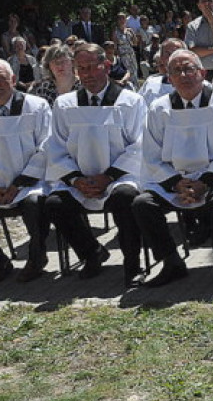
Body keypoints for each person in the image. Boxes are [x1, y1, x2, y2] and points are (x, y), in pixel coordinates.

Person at [132, 49, 213, 288]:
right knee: (142, 204)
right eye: (176, 70)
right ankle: (171, 262)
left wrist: (203, 182)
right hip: (174, 181)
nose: (183, 75)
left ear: (202, 73)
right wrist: (176, 183)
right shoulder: (158, 108)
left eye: (189, 69)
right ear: (168, 77)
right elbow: (151, 153)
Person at [45, 43, 144, 283]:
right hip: (79, 179)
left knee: (125, 199)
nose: (87, 75)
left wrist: (108, 176)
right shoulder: (65, 104)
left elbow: (139, 144)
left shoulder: (130, 101)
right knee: (55, 203)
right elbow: (55, 146)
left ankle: (132, 263)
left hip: (120, 177)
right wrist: (76, 179)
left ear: (107, 65)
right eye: (81, 69)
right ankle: (91, 253)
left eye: (92, 67)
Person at [0, 60, 52, 281]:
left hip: (32, 182)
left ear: (13, 80)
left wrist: (18, 184)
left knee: (33, 204)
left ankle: (37, 257)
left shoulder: (36, 106)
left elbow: (46, 147)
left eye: (1, 78)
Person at [137, 37, 185, 106]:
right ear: (161, 58)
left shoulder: (196, 84)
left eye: (176, 53)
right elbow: (139, 107)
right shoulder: (151, 82)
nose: (172, 57)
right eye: (167, 54)